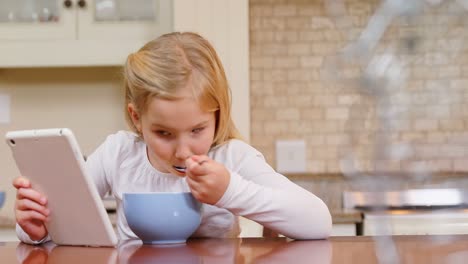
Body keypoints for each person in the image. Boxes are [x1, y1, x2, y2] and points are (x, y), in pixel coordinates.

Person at [13, 32, 332, 244]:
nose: (182, 152)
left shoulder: (232, 158)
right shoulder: (119, 153)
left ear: (217, 115)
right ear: (137, 118)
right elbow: (60, 222)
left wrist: (229, 191)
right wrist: (36, 229)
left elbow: (317, 221)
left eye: (197, 130)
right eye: (163, 133)